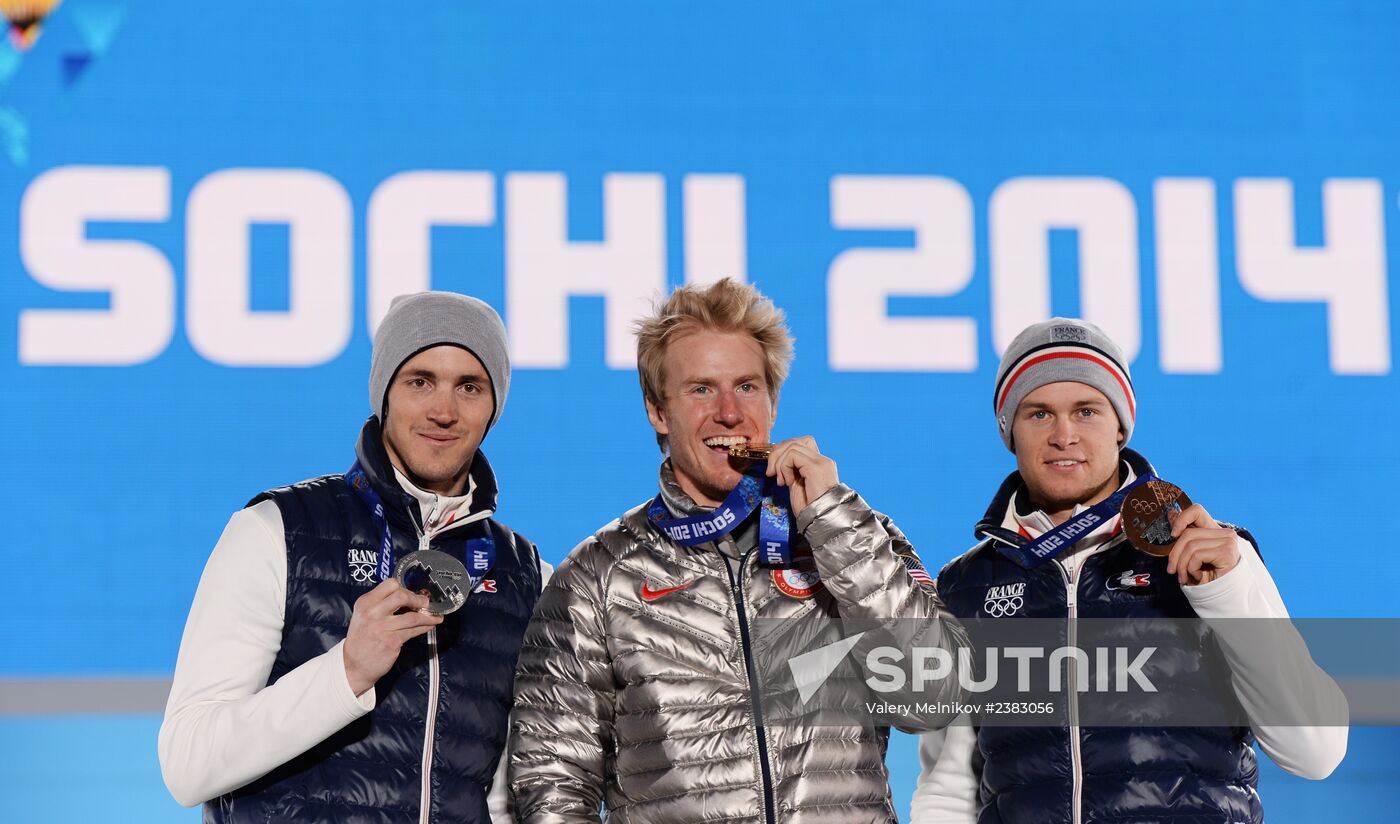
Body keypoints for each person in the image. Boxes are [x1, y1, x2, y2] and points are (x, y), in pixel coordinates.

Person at [508, 278, 968, 824]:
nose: (729, 413)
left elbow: (934, 698)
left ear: (773, 401)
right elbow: (551, 783)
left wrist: (833, 523)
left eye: (747, 387)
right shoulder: (597, 575)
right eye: (701, 389)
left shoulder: (856, 537)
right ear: (658, 411)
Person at [912, 317, 1349, 824]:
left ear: (1121, 426)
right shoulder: (968, 585)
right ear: (1010, 431)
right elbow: (949, 787)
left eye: (1086, 411)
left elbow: (1314, 752)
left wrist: (1226, 595)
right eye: (1038, 414)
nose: (1063, 435)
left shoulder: (1212, 556)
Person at [159, 291, 549, 823]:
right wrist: (345, 671)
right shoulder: (277, 531)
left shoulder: (525, 575)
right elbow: (188, 763)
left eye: (469, 387)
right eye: (420, 380)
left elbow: (511, 797)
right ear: (384, 393)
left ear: (493, 408)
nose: (443, 410)